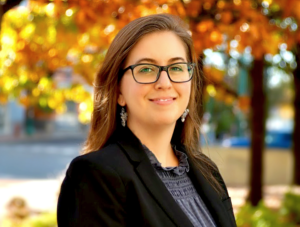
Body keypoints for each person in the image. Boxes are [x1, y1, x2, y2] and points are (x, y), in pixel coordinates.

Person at [57, 13, 236, 227]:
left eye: (176, 68)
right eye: (146, 69)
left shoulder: (208, 172)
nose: (164, 82)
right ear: (118, 91)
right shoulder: (96, 176)